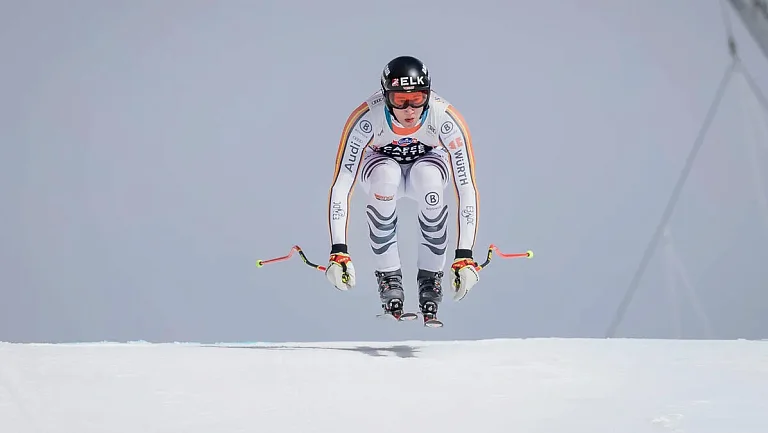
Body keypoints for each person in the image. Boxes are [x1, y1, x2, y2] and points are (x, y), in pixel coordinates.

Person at [324, 55, 480, 322]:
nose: (409, 110)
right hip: (380, 168)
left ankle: (431, 282)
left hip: (428, 166)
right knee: (387, 175)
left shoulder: (445, 118)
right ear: (386, 97)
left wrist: (465, 255)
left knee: (428, 177)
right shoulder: (367, 118)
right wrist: (339, 250)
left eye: (418, 99)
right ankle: (389, 279)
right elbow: (342, 183)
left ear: (428, 95)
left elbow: (466, 188)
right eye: (400, 100)